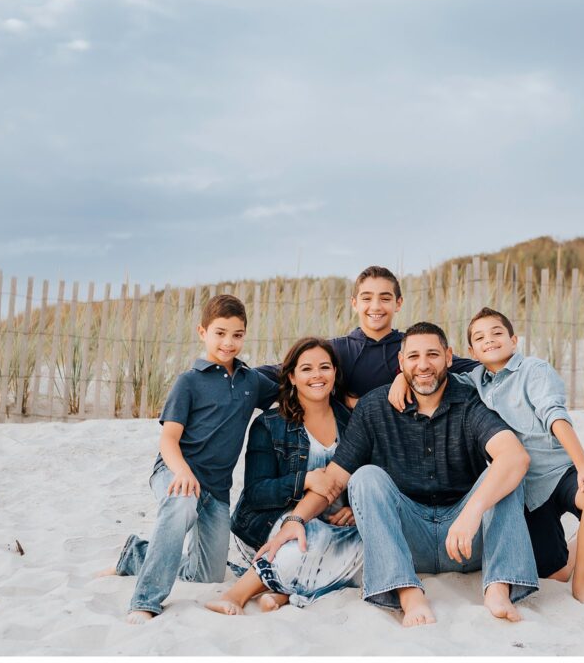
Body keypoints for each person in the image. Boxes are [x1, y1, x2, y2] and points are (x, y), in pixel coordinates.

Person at [257, 322, 538, 627]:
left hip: (466, 539)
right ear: (401, 362)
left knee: (506, 472)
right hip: (407, 539)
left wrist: (471, 514)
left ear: (448, 357)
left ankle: (498, 587)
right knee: (365, 476)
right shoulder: (375, 407)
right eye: (414, 357)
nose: (423, 365)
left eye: (432, 355)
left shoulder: (469, 400)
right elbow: (336, 477)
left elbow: (515, 456)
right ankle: (407, 592)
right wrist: (296, 519)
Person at [389, 306, 584, 603]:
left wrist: (583, 465)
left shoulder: (534, 370)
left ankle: (583, 586)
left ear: (514, 340)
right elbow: (432, 375)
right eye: (480, 337)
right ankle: (575, 548)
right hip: (523, 489)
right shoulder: (473, 381)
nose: (490, 340)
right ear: (471, 350)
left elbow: (554, 416)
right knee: (554, 572)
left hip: (558, 474)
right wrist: (401, 378)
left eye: (497, 333)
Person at [100, 294, 278, 624]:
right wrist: (181, 472)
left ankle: (137, 554)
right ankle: (146, 599)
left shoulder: (251, 381)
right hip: (175, 472)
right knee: (181, 504)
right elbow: (168, 439)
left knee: (207, 575)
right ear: (202, 332)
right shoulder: (189, 381)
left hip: (217, 492)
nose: (228, 342)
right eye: (220, 333)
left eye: (237, 334)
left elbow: (291, 384)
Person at [205, 336, 361, 615]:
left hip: (334, 526)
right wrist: (305, 480)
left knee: (367, 543)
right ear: (291, 376)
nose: (317, 375)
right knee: (308, 534)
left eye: (325, 367)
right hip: (270, 524)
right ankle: (237, 594)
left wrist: (352, 507)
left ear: (335, 373)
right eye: (306, 369)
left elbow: (360, 474)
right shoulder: (270, 424)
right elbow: (256, 493)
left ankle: (281, 591)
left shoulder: (351, 421)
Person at [258, 265, 476, 408]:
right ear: (354, 303)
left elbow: (472, 369)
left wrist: (406, 377)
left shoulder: (413, 352)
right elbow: (279, 372)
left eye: (384, 298)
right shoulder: (337, 350)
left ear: (398, 303)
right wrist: (228, 371)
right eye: (366, 298)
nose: (375, 306)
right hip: (348, 451)